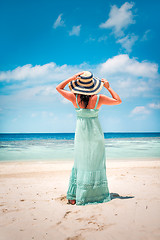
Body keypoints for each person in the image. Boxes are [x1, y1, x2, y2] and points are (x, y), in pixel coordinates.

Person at [56, 71, 122, 205]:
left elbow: (59, 88)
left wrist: (72, 78)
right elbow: (118, 101)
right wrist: (108, 87)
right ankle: (96, 195)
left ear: (79, 85)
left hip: (81, 134)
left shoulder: (75, 98)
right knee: (95, 162)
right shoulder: (99, 98)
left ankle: (75, 196)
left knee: (80, 162)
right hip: (96, 134)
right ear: (93, 85)